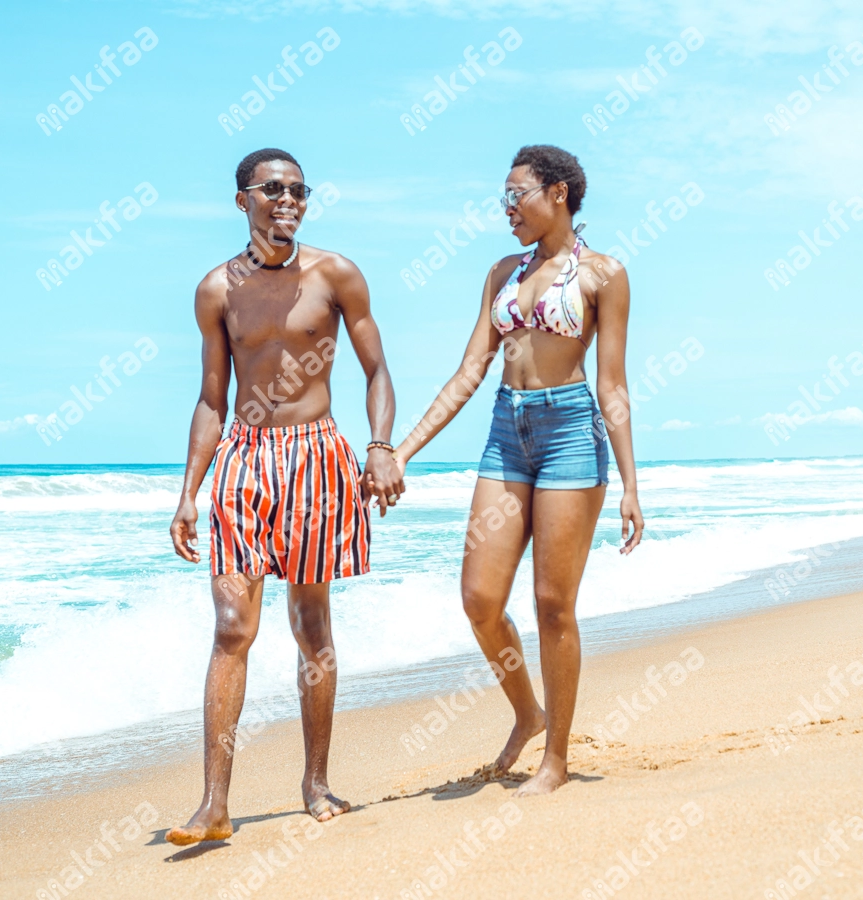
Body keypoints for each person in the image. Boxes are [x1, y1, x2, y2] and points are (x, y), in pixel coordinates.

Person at [165, 148, 404, 844]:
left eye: (300, 190)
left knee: (311, 626)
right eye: (274, 189)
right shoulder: (217, 289)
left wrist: (381, 446)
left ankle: (316, 780)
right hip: (245, 459)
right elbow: (212, 399)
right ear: (243, 199)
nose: (289, 200)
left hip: (317, 455)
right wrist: (188, 492)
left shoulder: (336, 275)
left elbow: (376, 368)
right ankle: (213, 804)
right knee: (232, 626)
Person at [393, 145, 644, 796]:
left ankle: (555, 759)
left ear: (557, 193)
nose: (507, 210)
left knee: (552, 605)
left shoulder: (603, 275)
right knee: (480, 597)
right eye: (502, 199)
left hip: (569, 434)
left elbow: (612, 384)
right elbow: (471, 369)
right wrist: (402, 450)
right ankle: (526, 712)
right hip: (509, 431)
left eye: (517, 195)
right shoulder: (502, 272)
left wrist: (631, 487)